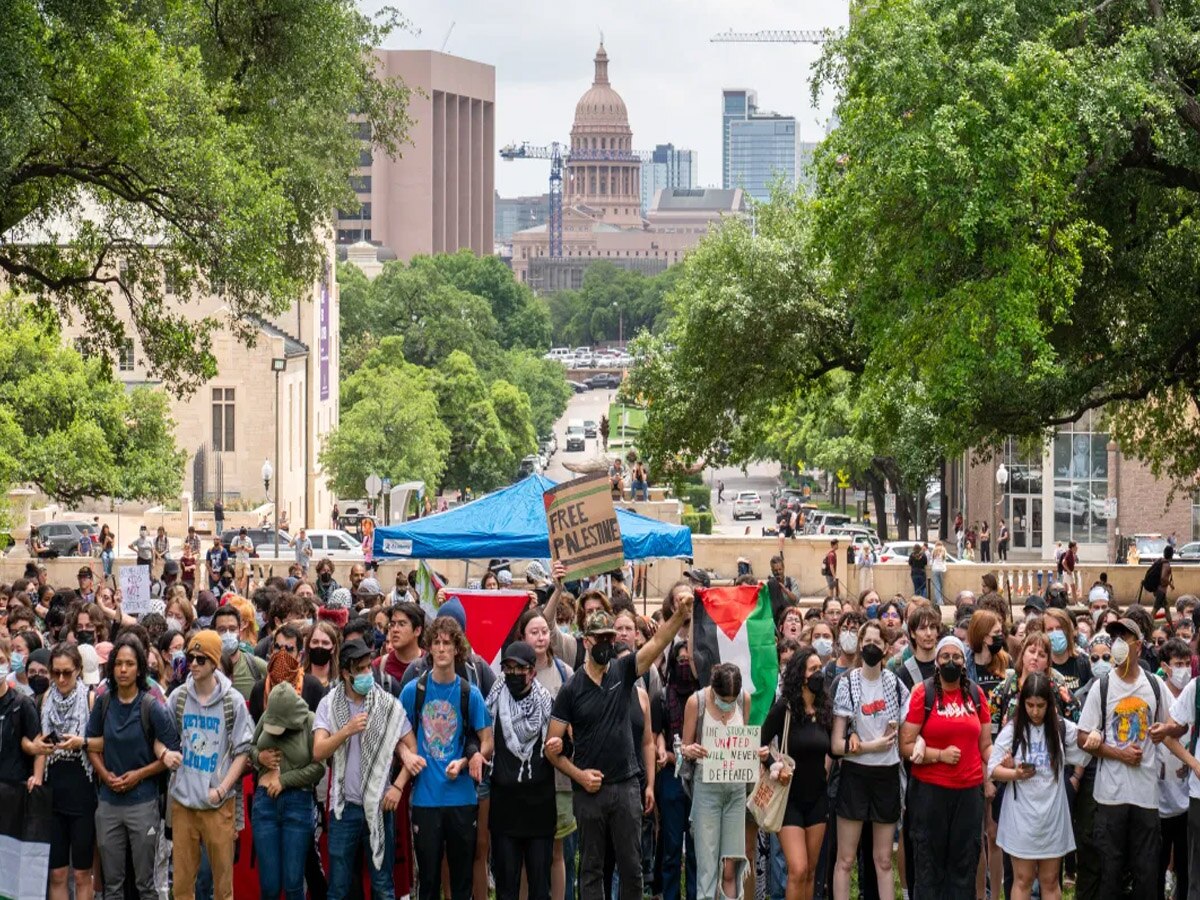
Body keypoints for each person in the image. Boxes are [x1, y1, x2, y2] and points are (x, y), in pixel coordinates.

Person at [546, 591, 693, 900]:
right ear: (586, 641)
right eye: (599, 638)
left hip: (626, 787)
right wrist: (579, 775)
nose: (606, 644)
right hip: (589, 792)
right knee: (591, 869)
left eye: (610, 638)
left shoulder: (622, 672)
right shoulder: (571, 688)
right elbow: (551, 747)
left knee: (632, 868)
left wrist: (679, 615)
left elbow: (655, 644)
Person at [314, 637, 418, 900]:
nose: (366, 674)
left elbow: (411, 749)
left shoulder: (387, 704)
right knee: (338, 887)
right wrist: (346, 731)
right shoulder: (329, 704)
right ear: (346, 673)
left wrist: (397, 786)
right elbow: (318, 751)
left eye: (367, 668)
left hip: (380, 807)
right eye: (359, 669)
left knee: (383, 885)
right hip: (343, 808)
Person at [398, 614, 492, 900]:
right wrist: (406, 754)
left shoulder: (469, 693)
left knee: (461, 881)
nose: (441, 649)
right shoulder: (414, 690)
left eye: (447, 643)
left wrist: (468, 760)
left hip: (462, 798)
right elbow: (396, 736)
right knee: (428, 881)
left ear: (456, 649)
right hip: (425, 798)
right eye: (436, 643)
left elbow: (488, 741)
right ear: (428, 648)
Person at [1077, 616, 1168, 900]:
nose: (1118, 644)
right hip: (1110, 797)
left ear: (1138, 646)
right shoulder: (1101, 687)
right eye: (1114, 636)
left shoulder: (1154, 686)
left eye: (1124, 638)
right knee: (1110, 873)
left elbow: (1171, 725)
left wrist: (1164, 730)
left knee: (1146, 873)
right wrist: (1118, 753)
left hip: (1146, 797)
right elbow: (1083, 738)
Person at [85, 635, 181, 900]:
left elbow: (172, 753)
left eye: (129, 664)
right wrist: (105, 775)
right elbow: (91, 745)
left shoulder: (152, 707)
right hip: (108, 803)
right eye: (118, 664)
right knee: (112, 885)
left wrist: (139, 775)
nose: (123, 669)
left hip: (143, 804)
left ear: (140, 668)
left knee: (144, 884)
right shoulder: (104, 703)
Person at [160, 630, 254, 900]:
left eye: (202, 659)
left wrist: (222, 789)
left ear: (215, 662)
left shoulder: (231, 701)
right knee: (182, 887)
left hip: (217, 805)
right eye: (191, 657)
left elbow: (243, 751)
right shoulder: (178, 697)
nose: (194, 664)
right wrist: (165, 753)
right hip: (183, 804)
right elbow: (159, 737)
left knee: (223, 888)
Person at [988, 673, 1098, 900]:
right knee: (1023, 879)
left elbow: (1084, 747)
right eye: (1030, 705)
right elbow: (993, 768)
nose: (1035, 711)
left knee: (1050, 880)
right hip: (1021, 816)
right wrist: (1015, 773)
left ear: (1049, 704)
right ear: (1023, 703)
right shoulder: (1014, 729)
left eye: (1040, 705)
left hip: (1052, 816)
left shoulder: (1061, 728)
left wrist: (1095, 734)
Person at [899, 635, 992, 899]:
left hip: (969, 793)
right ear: (937, 662)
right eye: (945, 657)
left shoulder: (975, 694)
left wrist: (1000, 759)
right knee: (929, 864)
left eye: (957, 657)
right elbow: (905, 746)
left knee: (964, 864)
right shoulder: (923, 694)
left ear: (964, 662)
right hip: (930, 793)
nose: (951, 662)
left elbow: (985, 745)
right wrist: (938, 755)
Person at [830, 621, 908, 900]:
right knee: (846, 860)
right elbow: (837, 745)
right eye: (867, 641)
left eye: (878, 642)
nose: (872, 646)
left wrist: (911, 740)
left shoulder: (896, 685)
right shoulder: (847, 684)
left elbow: (910, 729)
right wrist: (869, 746)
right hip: (855, 775)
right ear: (860, 644)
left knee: (884, 861)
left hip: (886, 775)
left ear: (887, 647)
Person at [759, 647, 832, 900]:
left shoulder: (825, 709)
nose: (818, 674)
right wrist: (774, 766)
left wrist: (853, 736)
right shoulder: (785, 708)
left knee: (811, 871)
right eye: (813, 670)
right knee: (798, 869)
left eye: (819, 669)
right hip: (789, 798)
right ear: (800, 675)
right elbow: (760, 742)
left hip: (818, 798)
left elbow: (834, 745)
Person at [486, 641, 556, 900]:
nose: (514, 674)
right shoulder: (493, 701)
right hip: (505, 810)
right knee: (507, 888)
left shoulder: (548, 704)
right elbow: (481, 735)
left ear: (533, 672)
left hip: (540, 809)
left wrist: (562, 744)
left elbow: (564, 746)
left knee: (539, 887)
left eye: (521, 669)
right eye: (509, 668)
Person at [679, 662, 752, 900]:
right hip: (706, 786)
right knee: (708, 867)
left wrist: (754, 752)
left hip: (736, 788)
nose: (728, 703)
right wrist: (690, 750)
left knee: (732, 865)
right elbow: (683, 747)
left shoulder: (744, 700)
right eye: (723, 698)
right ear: (714, 689)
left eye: (732, 700)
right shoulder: (696, 702)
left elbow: (744, 739)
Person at [251, 682, 325, 900]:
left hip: (298, 802)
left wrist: (285, 780)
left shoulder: (310, 721)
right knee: (270, 886)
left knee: (294, 884)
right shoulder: (269, 715)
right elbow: (251, 748)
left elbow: (319, 767)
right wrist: (259, 757)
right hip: (265, 803)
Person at [41, 643, 96, 900]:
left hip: (83, 792)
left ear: (78, 671)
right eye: (56, 673)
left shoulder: (90, 698)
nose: (61, 679)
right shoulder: (44, 700)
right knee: (57, 874)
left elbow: (102, 742)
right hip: (53, 793)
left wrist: (81, 742)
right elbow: (37, 746)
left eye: (67, 673)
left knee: (83, 874)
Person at [930, 541, 948, 607]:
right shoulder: (943, 550)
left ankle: (939, 601)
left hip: (935, 568)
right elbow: (945, 559)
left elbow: (931, 561)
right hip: (942, 569)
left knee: (937, 585)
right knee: (941, 585)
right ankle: (940, 599)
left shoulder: (934, 551)